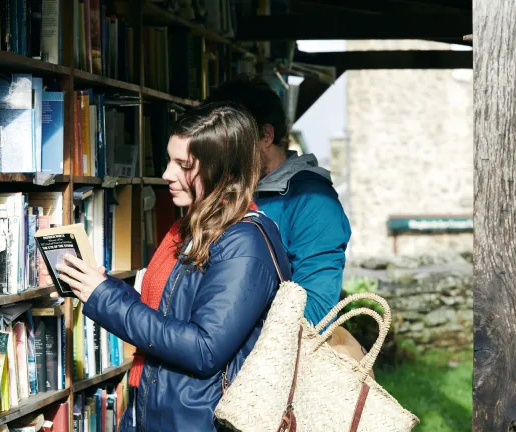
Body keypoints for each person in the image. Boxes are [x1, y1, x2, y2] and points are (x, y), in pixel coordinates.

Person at [50, 102, 292, 431]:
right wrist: (98, 287)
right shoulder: (194, 227)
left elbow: (204, 349)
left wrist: (105, 298)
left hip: (200, 421)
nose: (167, 174)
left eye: (183, 164)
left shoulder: (244, 245)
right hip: (161, 409)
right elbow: (165, 316)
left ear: (220, 169)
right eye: (169, 160)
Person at [205, 74, 352, 326]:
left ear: (265, 135)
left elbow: (315, 313)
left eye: (229, 141)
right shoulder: (226, 191)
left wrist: (222, 329)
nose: (219, 153)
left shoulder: (314, 201)